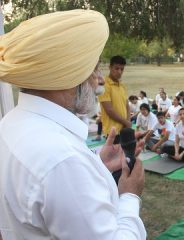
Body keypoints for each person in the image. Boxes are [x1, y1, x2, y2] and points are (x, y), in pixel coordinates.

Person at [0, 10, 146, 239]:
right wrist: (129, 197)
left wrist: (96, 166)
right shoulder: (63, 161)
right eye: (94, 69)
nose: (99, 80)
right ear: (66, 74)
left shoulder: (11, 121)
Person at [98, 55, 131, 138]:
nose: (119, 72)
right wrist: (126, 122)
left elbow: (127, 106)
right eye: (116, 68)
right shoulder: (104, 85)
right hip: (112, 132)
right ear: (110, 67)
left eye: (122, 69)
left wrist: (128, 122)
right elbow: (109, 110)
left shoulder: (122, 86)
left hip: (124, 129)